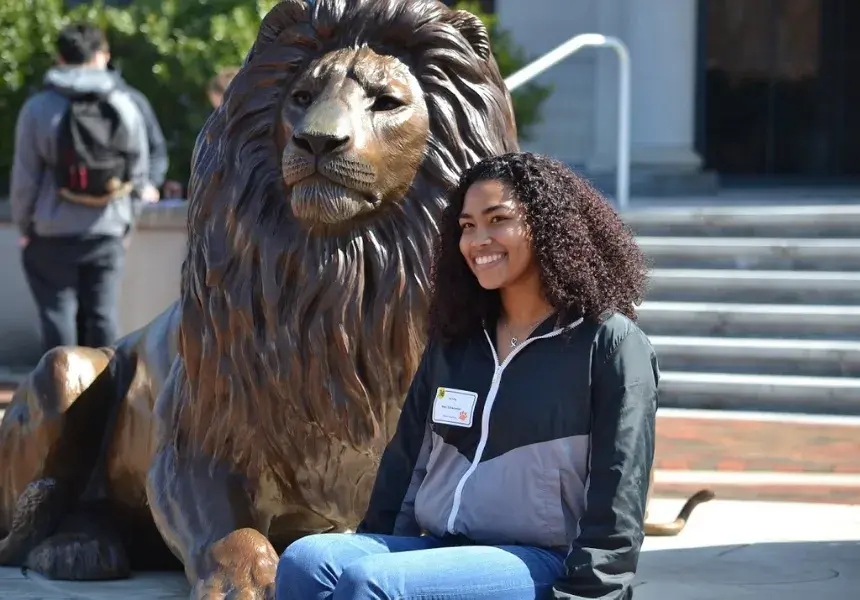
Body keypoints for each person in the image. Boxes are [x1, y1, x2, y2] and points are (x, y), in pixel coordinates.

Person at [275, 152, 658, 600]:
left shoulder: (608, 343)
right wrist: (373, 543)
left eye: (498, 220)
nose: (479, 240)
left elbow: (621, 488)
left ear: (550, 227)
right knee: (307, 561)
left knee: (373, 583)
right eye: (467, 226)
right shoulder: (457, 341)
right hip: (446, 546)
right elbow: (406, 459)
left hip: (542, 558)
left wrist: (588, 592)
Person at [10, 22, 150, 352]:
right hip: (107, 228)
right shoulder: (125, 103)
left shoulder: (39, 108)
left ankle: (59, 394)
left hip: (51, 231)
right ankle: (103, 394)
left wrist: (26, 226)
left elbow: (25, 179)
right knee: (103, 315)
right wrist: (127, 221)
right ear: (101, 55)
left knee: (57, 314)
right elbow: (139, 171)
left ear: (59, 58)